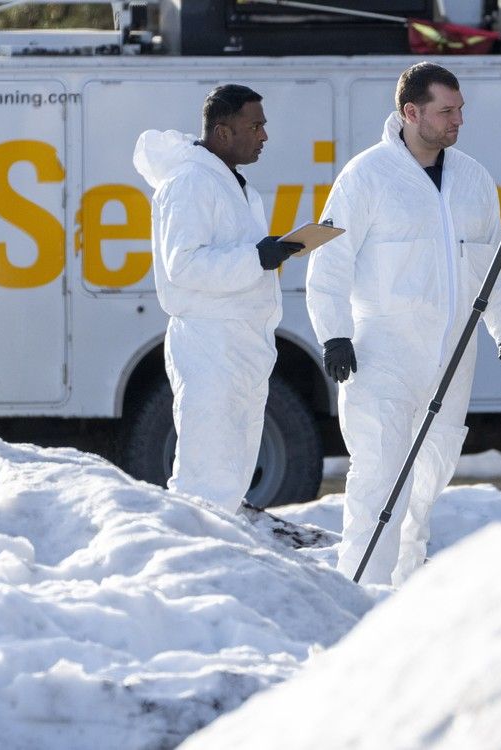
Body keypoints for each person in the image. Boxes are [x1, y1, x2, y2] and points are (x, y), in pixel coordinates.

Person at [306, 62, 501, 585]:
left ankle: (405, 590)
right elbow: (330, 260)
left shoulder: (472, 179)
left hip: (452, 355)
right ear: (411, 113)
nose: (458, 121)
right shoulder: (367, 177)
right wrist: (334, 332)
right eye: (446, 111)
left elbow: (494, 264)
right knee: (380, 476)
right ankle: (362, 589)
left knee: (430, 473)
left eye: (460, 110)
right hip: (383, 350)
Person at [133, 84, 302, 512]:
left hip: (239, 346)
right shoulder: (190, 182)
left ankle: (223, 559)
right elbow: (184, 266)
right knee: (204, 477)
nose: (264, 136)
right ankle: (194, 564)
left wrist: (264, 255)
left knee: (230, 476)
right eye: (256, 125)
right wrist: (257, 258)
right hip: (211, 345)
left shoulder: (234, 186)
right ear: (223, 132)